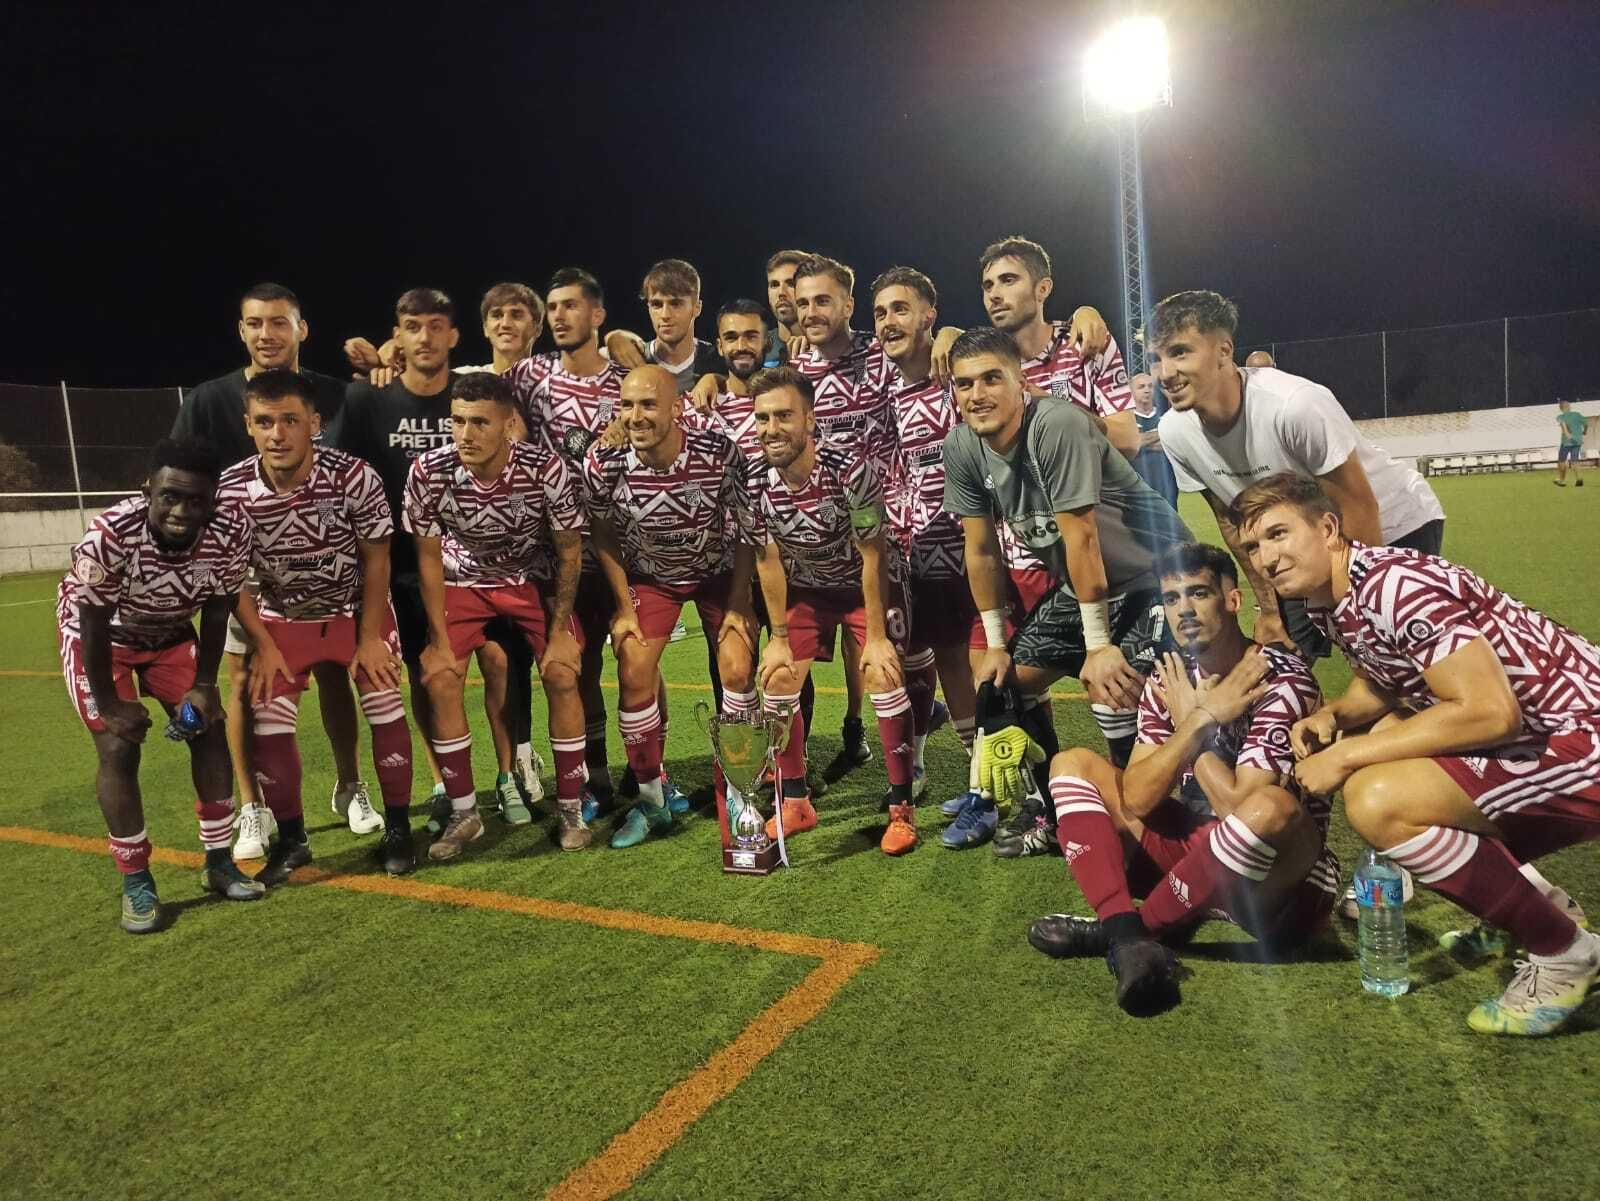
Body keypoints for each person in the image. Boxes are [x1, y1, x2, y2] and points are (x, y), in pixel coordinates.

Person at [1235, 472, 1600, 1036]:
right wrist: (1334, 717)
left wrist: (1348, 757)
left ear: (1328, 528)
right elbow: (1384, 682)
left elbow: (1488, 712)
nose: (1266, 558)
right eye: (1254, 547)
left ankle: (1563, 951)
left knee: (1379, 799)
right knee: (1383, 756)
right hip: (1544, 733)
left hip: (1579, 735)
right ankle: (1533, 907)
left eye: (1279, 534)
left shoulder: (1395, 586)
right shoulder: (1333, 596)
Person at [1027, 542, 1340, 1015]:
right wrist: (1194, 722)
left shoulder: (1278, 679)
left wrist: (1197, 721)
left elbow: (1245, 812)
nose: (1184, 610)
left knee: (1270, 808)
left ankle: (1126, 933)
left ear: (1232, 601)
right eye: (1172, 599)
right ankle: (1130, 934)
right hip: (1197, 856)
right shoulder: (1171, 680)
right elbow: (1135, 797)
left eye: (1198, 594)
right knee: (1071, 763)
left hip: (1276, 886)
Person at [942, 328, 1192, 858]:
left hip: (1162, 574)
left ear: (1022, 381)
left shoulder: (1056, 424)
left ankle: (1139, 822)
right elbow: (982, 551)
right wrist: (995, 643)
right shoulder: (963, 445)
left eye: (992, 378)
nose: (977, 395)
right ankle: (1054, 817)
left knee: (1123, 686)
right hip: (1088, 586)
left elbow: (1083, 538)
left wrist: (1098, 646)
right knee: (1006, 687)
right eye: (964, 384)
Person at [170, 282, 368, 860]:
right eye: (255, 323)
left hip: (325, 579)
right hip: (244, 584)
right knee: (243, 685)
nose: (266, 334)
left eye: (279, 322)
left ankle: (350, 786)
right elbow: (179, 477)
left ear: (302, 329)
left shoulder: (335, 395)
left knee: (336, 677)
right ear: (241, 331)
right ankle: (252, 807)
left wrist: (383, 365)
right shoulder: (209, 401)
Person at [1149, 290, 1446, 657]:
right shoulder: (1174, 431)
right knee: (1281, 658)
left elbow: (1359, 507)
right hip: (1302, 537)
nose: (1165, 373)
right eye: (1156, 358)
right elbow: (1233, 523)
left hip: (1394, 523)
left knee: (1395, 655)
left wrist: (1361, 621)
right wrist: (1268, 610)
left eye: (1180, 352)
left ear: (1224, 351)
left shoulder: (1294, 406)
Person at [58, 436, 264, 933]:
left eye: (197, 500)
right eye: (170, 496)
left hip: (173, 635)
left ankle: (218, 863)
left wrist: (203, 685)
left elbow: (217, 610)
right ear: (148, 488)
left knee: (207, 728)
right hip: (105, 640)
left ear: (212, 499)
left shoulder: (232, 528)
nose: (182, 511)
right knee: (119, 746)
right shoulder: (111, 532)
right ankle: (136, 881)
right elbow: (93, 620)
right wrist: (110, 703)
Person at [218, 369, 418, 880]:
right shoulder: (231, 490)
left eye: (290, 420)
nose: (278, 433)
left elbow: (378, 558)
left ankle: (398, 829)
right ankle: (292, 840)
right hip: (282, 621)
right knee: (269, 724)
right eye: (265, 421)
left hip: (354, 614)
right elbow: (229, 580)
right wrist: (261, 643)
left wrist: (371, 638)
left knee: (384, 704)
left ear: (314, 423)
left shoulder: (354, 476)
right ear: (249, 426)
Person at [402, 371, 590, 859]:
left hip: (533, 581)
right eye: (458, 422)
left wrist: (560, 629)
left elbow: (570, 550)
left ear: (508, 424)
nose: (466, 435)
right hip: (463, 584)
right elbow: (426, 557)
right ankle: (465, 813)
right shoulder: (428, 470)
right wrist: (439, 638)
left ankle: (571, 805)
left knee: (561, 671)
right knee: (439, 675)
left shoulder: (545, 468)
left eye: (480, 423)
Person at [743, 366, 922, 854]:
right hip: (811, 591)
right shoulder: (751, 480)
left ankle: (901, 807)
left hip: (868, 585)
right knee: (779, 678)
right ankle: (797, 801)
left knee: (883, 674)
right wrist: (778, 637)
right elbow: (768, 561)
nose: (771, 429)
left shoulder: (850, 471)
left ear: (811, 419)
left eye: (784, 416)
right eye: (762, 418)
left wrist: (878, 637)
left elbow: (874, 553)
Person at [585, 365, 757, 847]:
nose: (635, 417)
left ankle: (740, 789)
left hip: (717, 572)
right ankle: (652, 799)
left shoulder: (718, 450)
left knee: (737, 665)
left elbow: (746, 525)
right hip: (652, 576)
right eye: (627, 406)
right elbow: (601, 532)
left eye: (648, 405)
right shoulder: (604, 460)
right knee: (634, 667)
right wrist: (623, 606)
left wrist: (741, 601)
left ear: (676, 408)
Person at [506, 268, 631, 822]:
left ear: (598, 315)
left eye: (570, 306)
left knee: (635, 660)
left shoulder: (628, 376)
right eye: (552, 307)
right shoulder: (529, 376)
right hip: (559, 551)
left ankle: (653, 771)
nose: (558, 316)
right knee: (578, 666)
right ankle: (595, 775)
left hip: (623, 544)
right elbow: (469, 383)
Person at [337, 288, 465, 829]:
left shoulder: (472, 391)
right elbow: (345, 474)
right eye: (413, 326)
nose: (426, 337)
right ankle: (445, 782)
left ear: (454, 336)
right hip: (404, 569)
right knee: (421, 673)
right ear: (399, 334)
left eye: (437, 325)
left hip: (474, 562)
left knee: (501, 667)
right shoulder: (368, 401)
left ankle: (514, 772)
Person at [869, 267, 979, 829]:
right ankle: (981, 778)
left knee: (996, 662)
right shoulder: (882, 385)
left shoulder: (960, 371)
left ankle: (1025, 787)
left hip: (982, 542)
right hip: (921, 549)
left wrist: (954, 335)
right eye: (882, 312)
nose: (889, 321)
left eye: (901, 309)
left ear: (929, 315)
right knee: (951, 660)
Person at [1130, 372, 1179, 508]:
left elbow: (1173, 444)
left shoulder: (1166, 416)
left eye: (1150, 386)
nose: (1146, 390)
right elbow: (1131, 443)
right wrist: (1162, 434)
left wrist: (1142, 441)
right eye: (1141, 387)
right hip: (1138, 486)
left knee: (1171, 524)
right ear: (1131, 391)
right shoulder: (1128, 419)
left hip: (1167, 484)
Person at [1555, 399, 1587, 487]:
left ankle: (1562, 481)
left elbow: (1565, 429)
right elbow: (1586, 424)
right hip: (1577, 442)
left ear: (1561, 408)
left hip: (1566, 442)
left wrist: (1569, 436)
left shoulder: (1560, 417)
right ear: (1569, 407)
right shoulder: (1577, 414)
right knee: (1574, 461)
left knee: (1561, 461)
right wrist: (1584, 431)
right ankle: (1579, 479)